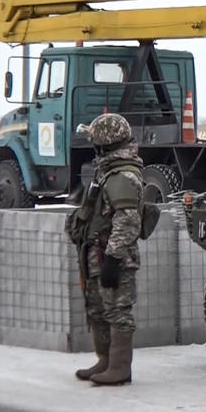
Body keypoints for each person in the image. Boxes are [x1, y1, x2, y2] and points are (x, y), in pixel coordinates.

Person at [66, 113, 144, 385]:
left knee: (117, 311)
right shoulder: (109, 172)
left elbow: (128, 220)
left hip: (113, 256)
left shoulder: (123, 175)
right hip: (97, 253)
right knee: (97, 309)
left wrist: (113, 257)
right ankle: (105, 360)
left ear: (105, 144)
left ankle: (120, 368)